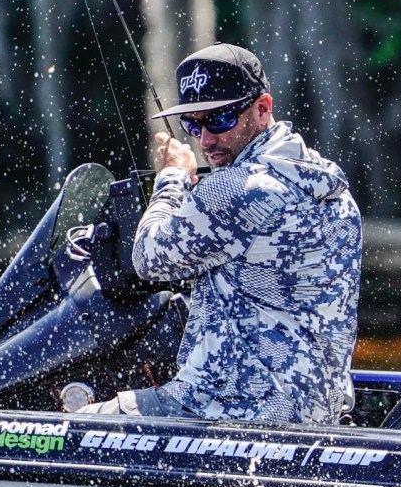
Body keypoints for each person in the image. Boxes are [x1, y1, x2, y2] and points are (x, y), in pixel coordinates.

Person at [79, 42, 362, 424]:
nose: (205, 140)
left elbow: (147, 257)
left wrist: (172, 178)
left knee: (70, 427)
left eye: (220, 119)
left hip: (229, 410)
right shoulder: (326, 183)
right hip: (313, 410)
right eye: (192, 125)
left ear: (263, 108)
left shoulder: (237, 188)